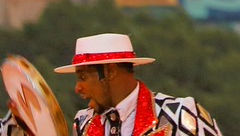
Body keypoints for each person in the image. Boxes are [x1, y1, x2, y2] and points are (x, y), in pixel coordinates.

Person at [21, 34, 223, 136]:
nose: (78, 88)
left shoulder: (180, 113)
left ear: (110, 72)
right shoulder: (84, 123)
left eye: (83, 77)